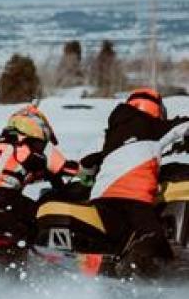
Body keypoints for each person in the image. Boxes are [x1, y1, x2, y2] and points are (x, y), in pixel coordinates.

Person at [81, 89, 189, 278]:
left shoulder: (113, 136)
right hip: (132, 199)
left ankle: (112, 274)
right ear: (156, 109)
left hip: (101, 198)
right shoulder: (154, 127)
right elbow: (184, 125)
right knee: (154, 240)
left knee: (120, 243)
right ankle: (156, 281)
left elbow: (87, 164)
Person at [0, 104, 76, 221]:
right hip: (4, 199)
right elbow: (65, 168)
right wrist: (87, 168)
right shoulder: (32, 144)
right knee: (42, 218)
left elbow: (10, 170)